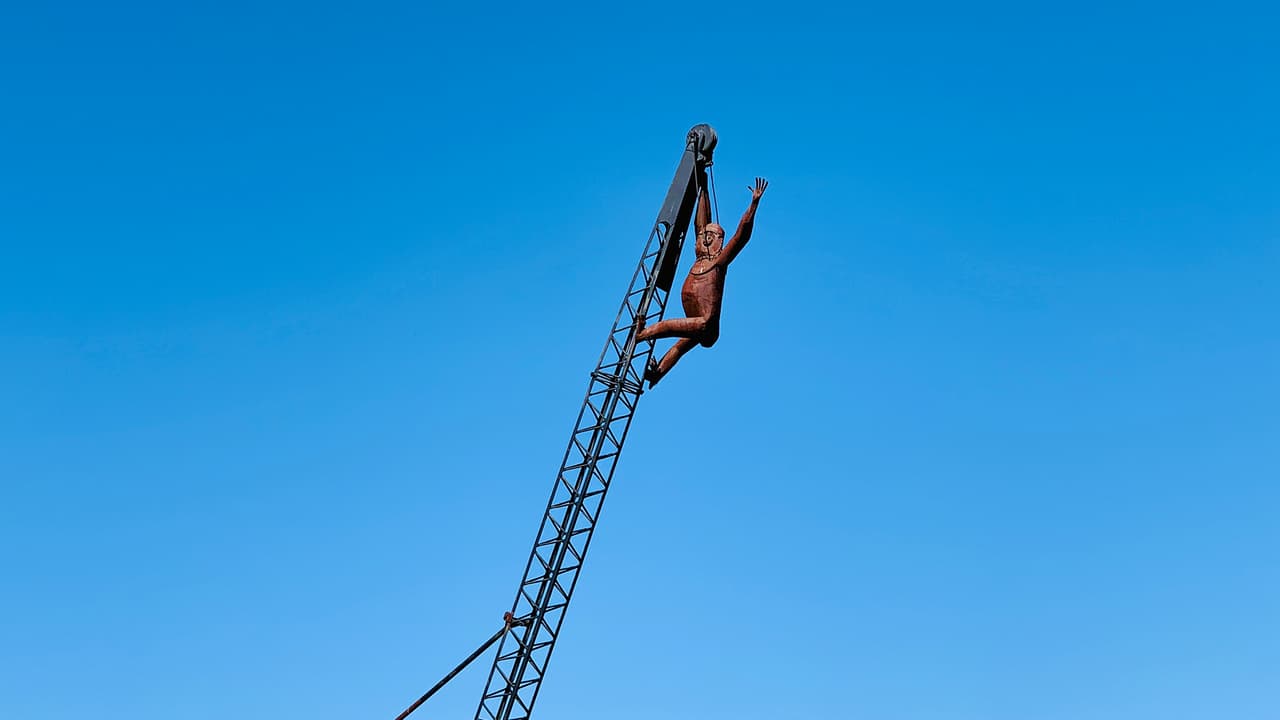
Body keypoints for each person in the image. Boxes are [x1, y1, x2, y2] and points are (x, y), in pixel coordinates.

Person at [637, 173, 768, 387]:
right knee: (679, 347)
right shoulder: (700, 255)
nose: (704, 238)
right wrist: (703, 187)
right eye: (703, 236)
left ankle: (642, 334)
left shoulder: (719, 261)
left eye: (710, 237)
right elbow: (701, 222)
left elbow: (741, 235)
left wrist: (753, 204)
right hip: (696, 320)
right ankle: (656, 374)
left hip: (706, 324)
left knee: (668, 326)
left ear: (718, 241)